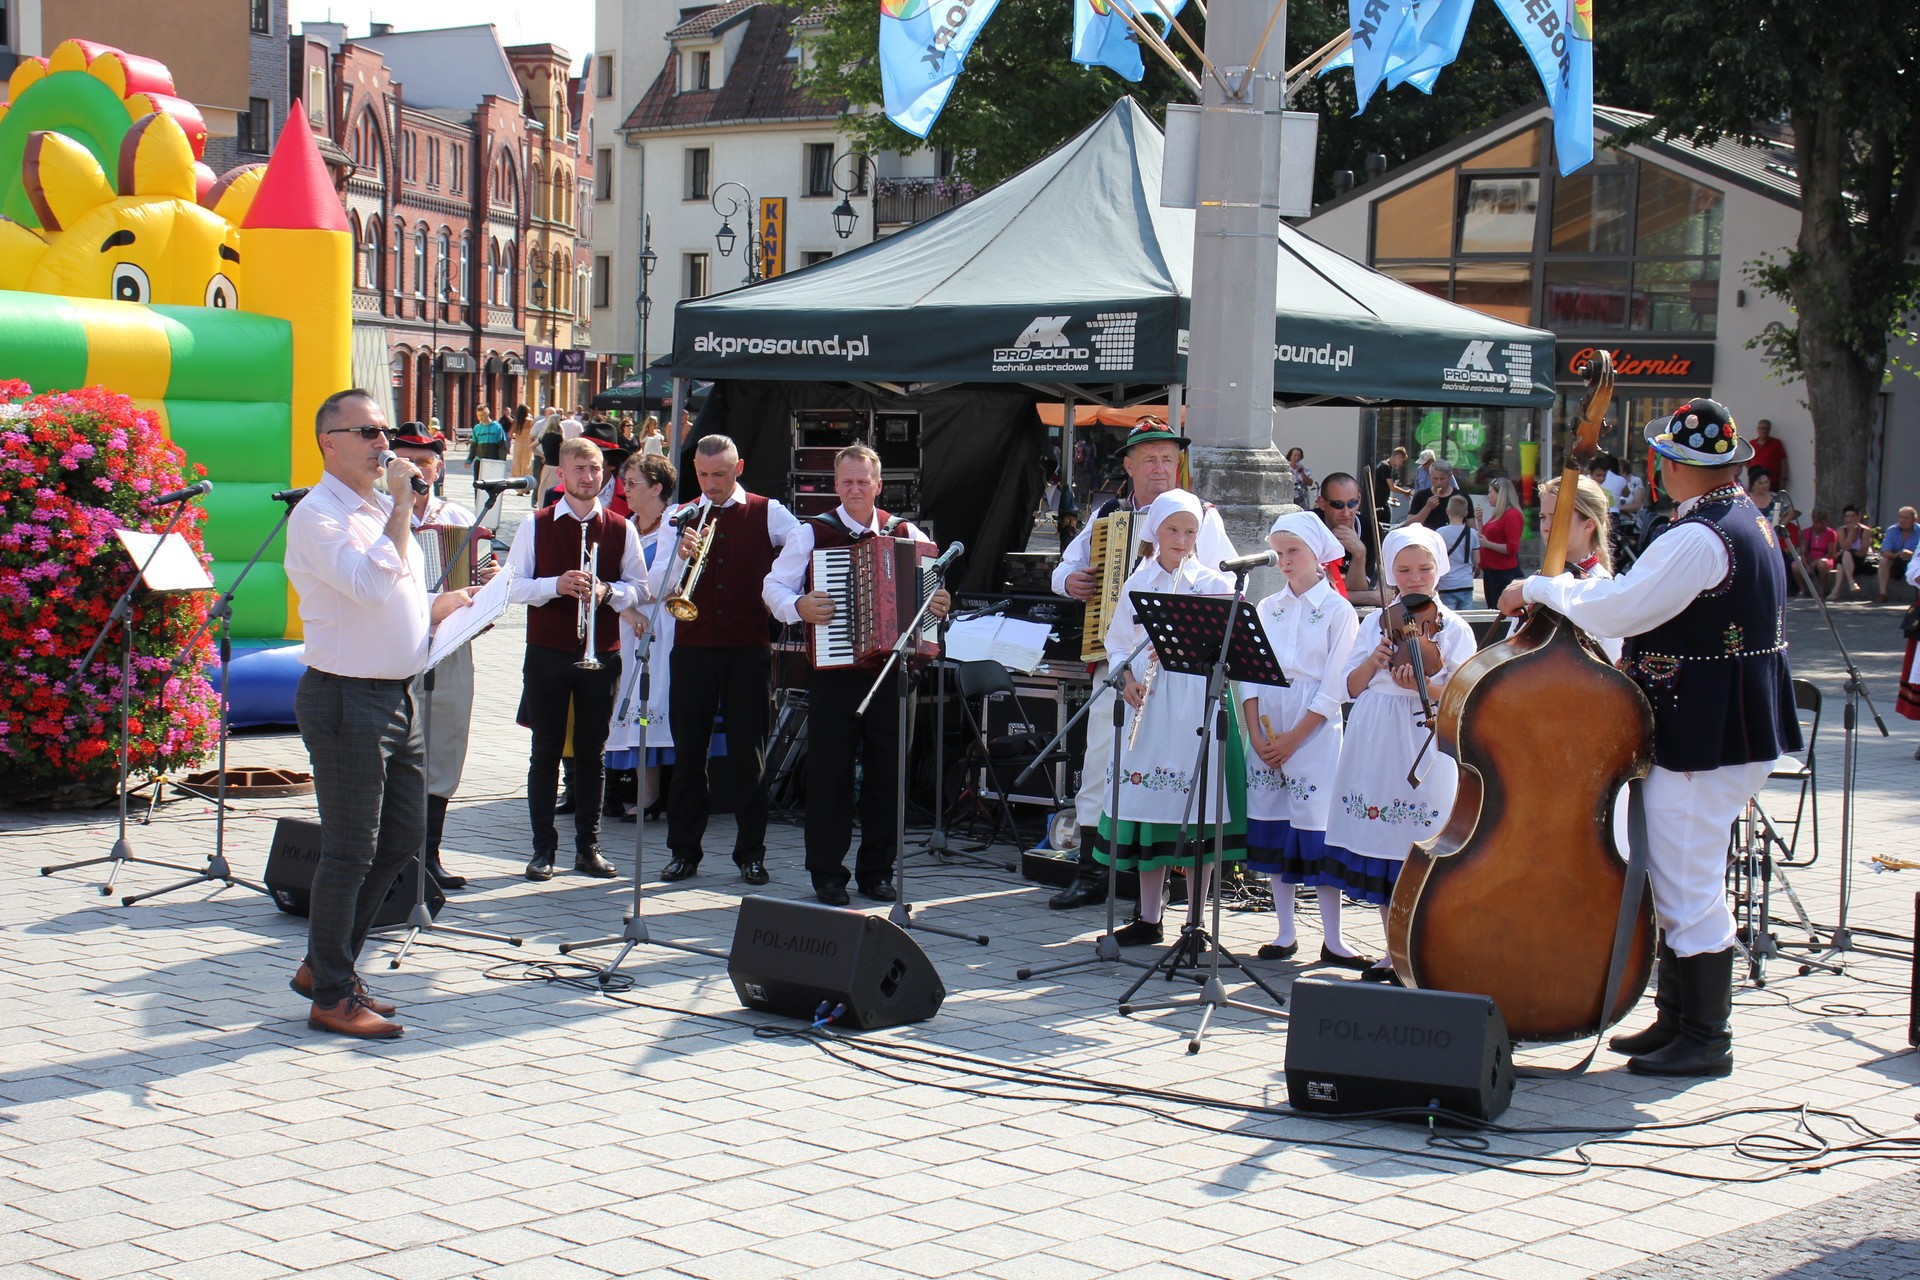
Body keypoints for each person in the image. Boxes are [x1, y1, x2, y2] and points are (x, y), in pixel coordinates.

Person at [1498, 397, 1800, 1077]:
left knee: (1687, 883)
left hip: (1705, 733)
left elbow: (1622, 608)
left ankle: (1706, 1037)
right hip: (1719, 727)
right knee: (1676, 876)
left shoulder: (1700, 536)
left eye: (1660, 458)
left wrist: (1543, 589)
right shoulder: (1738, 519)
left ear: (1670, 465)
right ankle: (1677, 1019)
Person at [283, 389, 477, 1039]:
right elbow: (366, 586)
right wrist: (400, 506)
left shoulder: (373, 508)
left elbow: (395, 594)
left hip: (397, 694)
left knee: (400, 841)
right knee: (350, 851)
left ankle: (325, 964)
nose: (383, 445)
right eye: (367, 433)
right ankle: (331, 994)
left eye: (383, 431)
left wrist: (440, 607)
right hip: (346, 696)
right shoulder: (319, 514)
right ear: (328, 442)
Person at [1047, 420, 1236, 909]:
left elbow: (1227, 586)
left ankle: (1164, 878)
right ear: (1129, 466)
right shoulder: (1109, 513)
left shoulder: (1202, 516)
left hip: (1180, 676)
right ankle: (1093, 871)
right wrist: (1070, 582)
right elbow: (1063, 567)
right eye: (1149, 459)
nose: (1160, 467)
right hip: (1116, 659)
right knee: (1101, 762)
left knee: (1170, 764)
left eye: (1168, 459)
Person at [764, 445, 953, 905]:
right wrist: (799, 606)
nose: (854, 489)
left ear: (878, 485)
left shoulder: (906, 532)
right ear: (835, 484)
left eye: (863, 482)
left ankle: (877, 871)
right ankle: (827, 874)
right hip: (836, 672)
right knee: (829, 773)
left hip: (893, 671)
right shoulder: (813, 533)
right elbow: (773, 586)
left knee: (889, 774)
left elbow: (930, 603)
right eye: (847, 482)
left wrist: (941, 604)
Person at [1322, 525, 1475, 983]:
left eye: (1424, 568)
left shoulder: (1455, 627)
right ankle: (1393, 948)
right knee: (1382, 843)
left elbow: (1466, 690)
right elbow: (1349, 687)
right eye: (1403, 570)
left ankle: (1423, 946)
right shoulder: (1376, 622)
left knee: (1420, 839)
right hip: (1376, 735)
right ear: (1391, 573)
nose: (1414, 578)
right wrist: (1375, 659)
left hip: (1423, 736)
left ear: (1438, 569)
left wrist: (1424, 686)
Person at [1091, 490, 1242, 945]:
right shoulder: (1139, 582)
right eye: (1173, 530)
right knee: (1148, 807)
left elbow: (1226, 648)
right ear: (1156, 531)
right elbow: (1117, 643)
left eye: (1190, 531)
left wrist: (1183, 644)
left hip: (1194, 702)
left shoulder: (1212, 583)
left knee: (1198, 811)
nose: (1181, 539)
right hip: (1150, 701)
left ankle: (1195, 921)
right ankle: (1149, 917)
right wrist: (1125, 679)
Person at [505, 437, 652, 882]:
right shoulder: (535, 523)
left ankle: (589, 848)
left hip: (601, 653)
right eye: (580, 469)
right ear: (561, 474)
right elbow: (512, 586)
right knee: (545, 751)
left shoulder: (621, 527)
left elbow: (640, 589)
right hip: (547, 651)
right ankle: (542, 849)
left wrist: (607, 591)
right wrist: (555, 585)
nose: (589, 477)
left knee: (592, 753)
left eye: (595, 469)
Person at [660, 435, 802, 886]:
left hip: (746, 649)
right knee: (689, 756)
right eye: (703, 475)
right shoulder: (679, 515)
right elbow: (657, 585)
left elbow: (803, 548)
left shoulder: (769, 512)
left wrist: (781, 590)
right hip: (692, 649)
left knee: (749, 756)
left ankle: (751, 854)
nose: (711, 484)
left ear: (738, 468)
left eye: (719, 474)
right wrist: (679, 556)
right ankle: (684, 852)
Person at [1243, 512, 1360, 962]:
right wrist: (1256, 734)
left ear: (1317, 554)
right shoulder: (1266, 607)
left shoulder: (1337, 610)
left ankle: (1334, 938)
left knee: (1317, 826)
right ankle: (1285, 931)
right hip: (1268, 717)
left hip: (1312, 727)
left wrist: (1295, 737)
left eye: (1293, 551)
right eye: (1279, 553)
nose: (1285, 561)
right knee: (1274, 823)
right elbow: (1248, 675)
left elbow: (1335, 684)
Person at [390, 424, 495, 893]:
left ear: (438, 469)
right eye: (406, 461)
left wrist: (487, 580)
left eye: (425, 461)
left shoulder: (459, 517)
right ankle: (394, 858)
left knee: (446, 746)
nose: (417, 470)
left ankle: (429, 856)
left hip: (450, 644)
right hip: (394, 643)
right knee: (395, 748)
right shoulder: (375, 513)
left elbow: (482, 577)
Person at [603, 452, 681, 823]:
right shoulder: (622, 527)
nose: (626, 490)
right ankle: (639, 793)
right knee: (629, 705)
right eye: (625, 482)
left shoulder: (676, 523)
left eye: (633, 483)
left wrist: (629, 596)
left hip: (665, 628)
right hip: (627, 627)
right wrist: (626, 607)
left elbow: (666, 583)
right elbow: (605, 581)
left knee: (655, 702)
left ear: (656, 488)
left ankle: (661, 795)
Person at [1315, 473, 1380, 605]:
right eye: (1338, 505)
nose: (1346, 512)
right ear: (1322, 503)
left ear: (1359, 500)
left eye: (1352, 503)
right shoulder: (1310, 525)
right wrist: (1369, 597)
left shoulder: (1370, 527)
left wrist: (1359, 553)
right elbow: (1312, 592)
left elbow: (1358, 588)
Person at [1477, 477, 1525, 610]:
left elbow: (1512, 547)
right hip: (1490, 569)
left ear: (1500, 494)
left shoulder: (1512, 515)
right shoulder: (1497, 514)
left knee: (1499, 610)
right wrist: (1479, 521)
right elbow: (1483, 539)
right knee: (1492, 608)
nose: (1488, 496)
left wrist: (1488, 544)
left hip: (1502, 571)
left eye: (1490, 492)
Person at [1436, 494, 1479, 610]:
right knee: (1466, 617)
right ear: (1466, 513)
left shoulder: (1440, 533)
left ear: (1447, 511)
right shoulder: (1472, 533)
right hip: (1466, 582)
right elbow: (1477, 560)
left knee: (1447, 616)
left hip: (1446, 584)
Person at [1404, 457, 1461, 531]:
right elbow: (1408, 525)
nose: (1439, 482)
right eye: (1435, 478)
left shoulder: (1459, 497)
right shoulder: (1420, 496)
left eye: (1442, 479)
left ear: (1450, 477)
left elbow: (1470, 527)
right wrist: (1427, 508)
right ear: (1430, 476)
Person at [1829, 505, 1872, 602]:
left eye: (1852, 516)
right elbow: (1845, 547)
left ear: (1858, 516)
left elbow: (1863, 552)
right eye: (1847, 516)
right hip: (1846, 558)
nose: (1850, 519)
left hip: (1860, 559)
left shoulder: (1865, 531)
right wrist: (1851, 532)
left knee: (1842, 562)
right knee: (1845, 555)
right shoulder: (1841, 530)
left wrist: (1850, 552)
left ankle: (1836, 591)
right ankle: (1851, 582)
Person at [1876, 506, 1918, 603]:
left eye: (1906, 518)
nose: (1902, 520)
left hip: (1914, 561)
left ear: (1914, 519)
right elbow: (1885, 551)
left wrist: (1912, 554)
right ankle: (1882, 594)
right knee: (1884, 561)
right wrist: (1897, 555)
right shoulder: (1892, 530)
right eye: (1901, 517)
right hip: (1895, 560)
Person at [1369, 445, 1409, 530]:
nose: (1401, 465)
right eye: (1402, 461)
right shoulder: (1386, 467)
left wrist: (1389, 499)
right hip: (1380, 506)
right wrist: (1405, 492)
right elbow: (1392, 487)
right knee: (1384, 528)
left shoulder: (1384, 465)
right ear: (1399, 456)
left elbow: (1380, 488)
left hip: (1379, 503)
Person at [1802, 509, 1838, 597]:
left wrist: (1815, 562)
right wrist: (1807, 565)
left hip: (1825, 559)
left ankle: (1822, 589)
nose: (1818, 525)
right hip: (1809, 559)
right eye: (1816, 522)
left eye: (1821, 523)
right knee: (1795, 565)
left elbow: (1831, 554)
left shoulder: (1831, 533)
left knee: (1822, 563)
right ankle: (1802, 589)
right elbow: (1803, 552)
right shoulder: (1806, 532)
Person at [1748, 418, 1788, 491]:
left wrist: (1784, 480)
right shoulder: (1751, 443)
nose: (1763, 430)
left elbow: (1783, 463)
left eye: (1766, 428)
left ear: (1769, 430)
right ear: (1757, 429)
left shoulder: (1776, 443)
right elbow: (1746, 461)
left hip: (1772, 482)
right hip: (1755, 482)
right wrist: (1753, 470)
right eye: (1761, 428)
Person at [509, 404, 534, 479]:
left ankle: (517, 478)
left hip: (518, 444)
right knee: (526, 463)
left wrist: (515, 437)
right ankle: (526, 478)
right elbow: (533, 434)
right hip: (527, 444)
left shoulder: (516, 422)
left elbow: (510, 434)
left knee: (517, 462)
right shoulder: (530, 421)